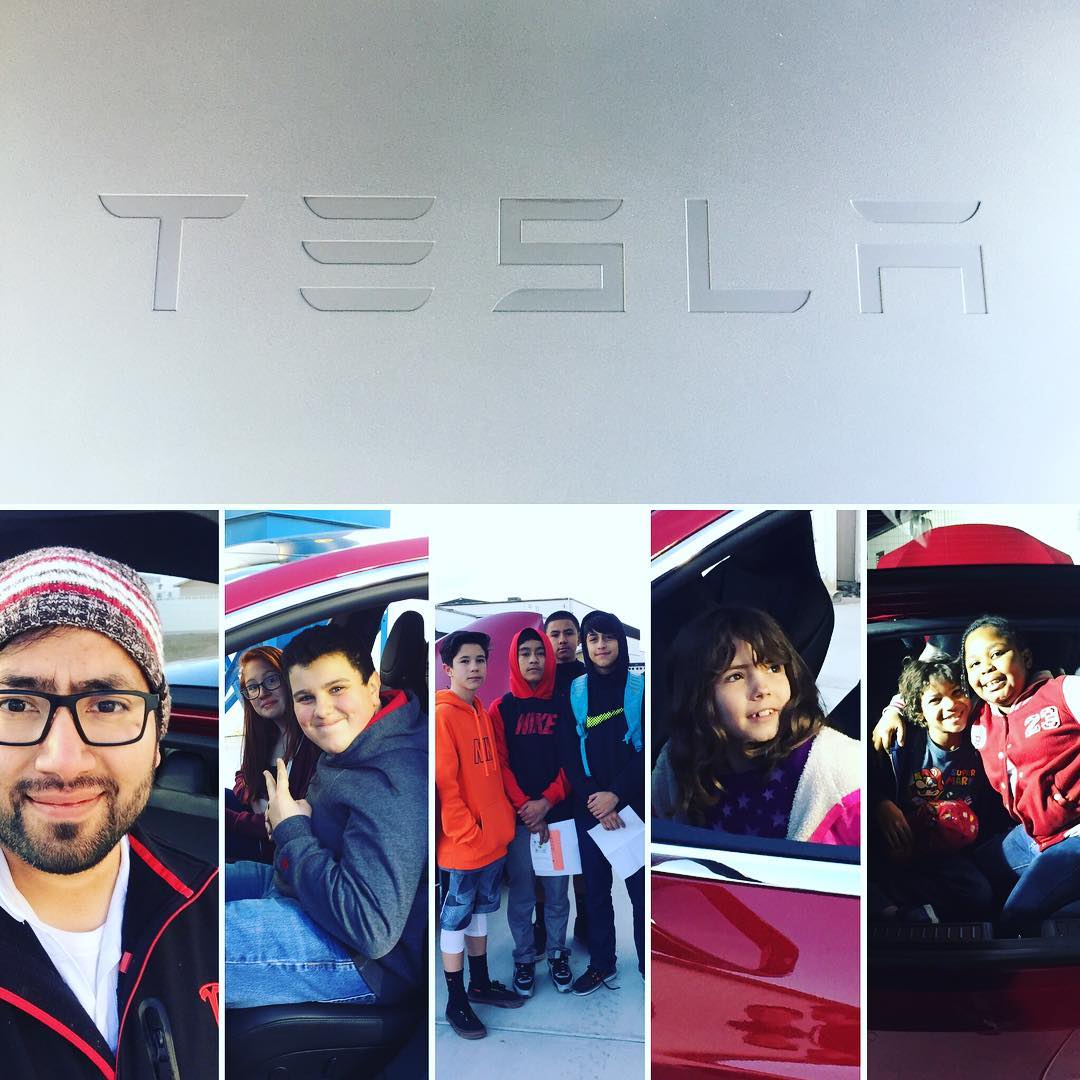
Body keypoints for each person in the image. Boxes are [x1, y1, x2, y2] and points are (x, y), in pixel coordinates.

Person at [0, 546, 217, 1077]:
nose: (62, 760)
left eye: (108, 705)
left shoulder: (211, 908)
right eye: (15, 704)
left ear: (158, 735)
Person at [224, 624, 426, 1007]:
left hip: (363, 959)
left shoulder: (394, 776)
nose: (322, 711)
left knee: (193, 942)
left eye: (337, 689)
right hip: (306, 893)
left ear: (370, 687)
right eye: (305, 697)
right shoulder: (363, 739)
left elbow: (372, 930)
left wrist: (292, 829)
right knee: (194, 890)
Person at [874, 615, 1080, 932]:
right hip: (1033, 836)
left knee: (1013, 917)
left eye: (996, 654)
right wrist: (893, 711)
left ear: (1025, 657)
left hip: (1073, 837)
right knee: (976, 875)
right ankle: (903, 910)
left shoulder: (1061, 693)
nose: (985, 668)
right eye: (974, 664)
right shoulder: (980, 716)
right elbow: (927, 689)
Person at [652, 605, 860, 844]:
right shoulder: (676, 766)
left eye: (774, 667)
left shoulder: (841, 776)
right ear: (697, 695)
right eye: (735, 676)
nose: (763, 689)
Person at [435, 630, 521, 1039]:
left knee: (481, 915)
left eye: (480, 660)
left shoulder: (482, 712)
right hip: (463, 846)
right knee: (454, 920)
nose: (475, 668)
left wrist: (496, 825)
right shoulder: (443, 715)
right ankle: (456, 1001)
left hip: (492, 840)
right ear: (448, 668)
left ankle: (480, 983)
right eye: (465, 661)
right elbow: (446, 785)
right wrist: (466, 832)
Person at [870, 656, 997, 921]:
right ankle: (895, 905)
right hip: (897, 846)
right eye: (936, 700)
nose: (951, 705)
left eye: (957, 693)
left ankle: (910, 906)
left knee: (980, 894)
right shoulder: (900, 744)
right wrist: (879, 804)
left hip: (951, 854)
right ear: (919, 712)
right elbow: (864, 781)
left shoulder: (984, 739)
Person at [561, 610, 646, 995]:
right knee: (594, 892)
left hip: (631, 807)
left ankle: (649, 964)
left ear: (620, 642)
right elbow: (568, 750)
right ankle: (601, 964)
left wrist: (617, 796)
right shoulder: (576, 691)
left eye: (607, 637)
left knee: (640, 892)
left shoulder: (639, 689)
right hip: (590, 808)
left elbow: (647, 752)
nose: (601, 646)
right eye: (592, 639)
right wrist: (596, 799)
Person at [489, 627, 575, 996]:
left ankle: (557, 953)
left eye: (539, 652)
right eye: (525, 653)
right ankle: (524, 958)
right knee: (522, 895)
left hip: (557, 816)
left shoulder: (566, 703)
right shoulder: (501, 709)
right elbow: (500, 764)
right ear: (514, 659)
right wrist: (526, 807)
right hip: (521, 819)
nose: (534, 660)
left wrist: (547, 802)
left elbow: (573, 761)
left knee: (557, 894)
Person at [226, 645, 319, 862]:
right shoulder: (267, 736)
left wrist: (233, 819)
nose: (263, 693)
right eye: (252, 687)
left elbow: (286, 821)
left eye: (270, 680)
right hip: (263, 828)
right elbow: (242, 776)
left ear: (288, 680)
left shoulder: (311, 741)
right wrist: (256, 798)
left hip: (280, 850)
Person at [543, 609, 588, 945]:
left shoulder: (590, 678)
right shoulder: (536, 681)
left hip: (584, 787)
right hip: (547, 788)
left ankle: (586, 923)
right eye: (555, 634)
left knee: (585, 864)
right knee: (548, 864)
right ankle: (543, 927)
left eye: (568, 632)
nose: (562, 640)